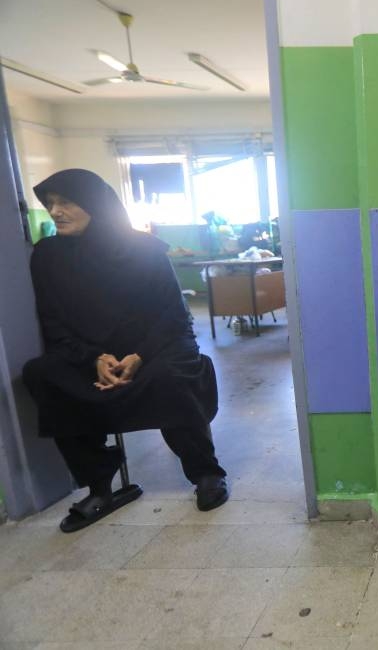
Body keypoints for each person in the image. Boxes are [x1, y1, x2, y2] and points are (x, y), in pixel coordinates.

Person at [22, 169, 228, 533]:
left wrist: (139, 356)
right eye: (50, 204)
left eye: (66, 202)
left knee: (172, 376)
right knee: (43, 374)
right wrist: (95, 359)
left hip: (156, 348)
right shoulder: (47, 257)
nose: (55, 212)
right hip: (91, 355)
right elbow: (52, 321)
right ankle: (100, 484)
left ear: (95, 205)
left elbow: (172, 316)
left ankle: (206, 473)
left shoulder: (145, 249)